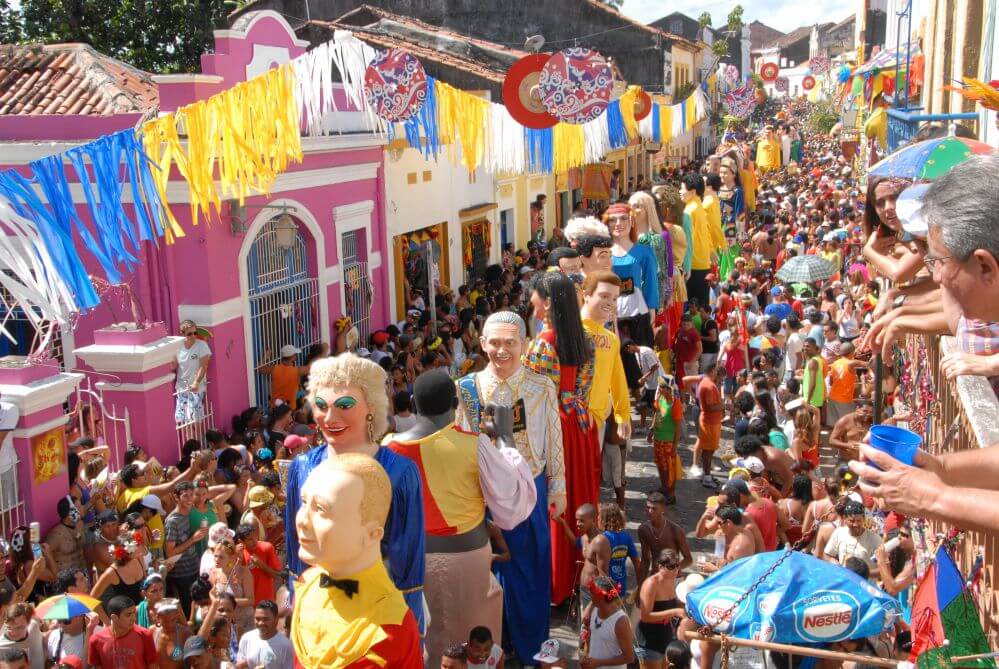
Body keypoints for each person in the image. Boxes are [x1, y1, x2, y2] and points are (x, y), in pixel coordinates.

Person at [387, 369, 534, 665]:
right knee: (471, 648)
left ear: (413, 405)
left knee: (422, 642)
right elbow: (512, 502)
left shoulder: (388, 448)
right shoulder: (473, 444)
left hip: (409, 564)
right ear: (456, 405)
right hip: (467, 562)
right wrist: (505, 438)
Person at [283, 354, 426, 633]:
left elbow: (407, 562)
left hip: (378, 615)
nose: (329, 418)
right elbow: (296, 552)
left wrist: (410, 629)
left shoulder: (399, 473)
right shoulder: (302, 467)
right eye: (321, 406)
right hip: (317, 613)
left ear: (371, 407)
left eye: (344, 405)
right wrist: (298, 608)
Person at [455, 310, 565, 664]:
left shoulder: (541, 386)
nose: (502, 350)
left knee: (532, 571)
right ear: (482, 343)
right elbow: (460, 441)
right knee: (485, 573)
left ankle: (531, 648)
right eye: (495, 343)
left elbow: (554, 438)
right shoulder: (467, 389)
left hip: (530, 491)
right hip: (483, 494)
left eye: (510, 343)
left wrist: (558, 487)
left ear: (524, 344)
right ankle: (490, 649)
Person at [290, 454, 421, 669]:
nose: (302, 521)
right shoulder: (306, 584)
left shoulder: (393, 626)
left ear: (372, 534)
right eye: (304, 502)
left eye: (321, 509)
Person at [523, 272, 600, 604]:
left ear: (548, 303)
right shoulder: (585, 339)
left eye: (536, 301)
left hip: (553, 426)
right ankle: (581, 573)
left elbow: (533, 395)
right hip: (579, 424)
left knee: (556, 499)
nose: (533, 307)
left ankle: (557, 581)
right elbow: (583, 387)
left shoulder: (543, 343)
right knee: (580, 495)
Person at [579, 272, 632, 507]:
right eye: (604, 296)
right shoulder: (571, 332)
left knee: (591, 476)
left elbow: (617, 378)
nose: (610, 302)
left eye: (614, 298)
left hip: (597, 422)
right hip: (570, 421)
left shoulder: (611, 338)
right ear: (586, 295)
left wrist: (623, 415)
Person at [604, 202, 659, 345]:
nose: (618, 223)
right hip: (610, 314)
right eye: (613, 220)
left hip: (637, 312)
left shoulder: (644, 251)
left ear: (631, 221)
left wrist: (652, 307)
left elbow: (651, 281)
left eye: (623, 218)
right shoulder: (602, 253)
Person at [163, 481, 209, 618]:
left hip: (193, 568)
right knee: (190, 611)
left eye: (191, 495)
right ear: (176, 497)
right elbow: (170, 552)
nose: (190, 499)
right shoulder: (172, 521)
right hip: (182, 574)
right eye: (185, 496)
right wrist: (193, 539)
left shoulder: (188, 513)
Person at [635, 550, 686, 669]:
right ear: (660, 566)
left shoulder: (671, 580)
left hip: (664, 637)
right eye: (671, 567)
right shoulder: (651, 584)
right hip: (646, 641)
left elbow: (668, 603)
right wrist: (674, 612)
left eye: (677, 565)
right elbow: (645, 616)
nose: (675, 570)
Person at [87, 596, 158, 669]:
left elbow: (153, 665)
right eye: (128, 615)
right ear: (114, 618)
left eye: (134, 613)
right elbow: (97, 667)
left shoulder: (144, 635)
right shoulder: (96, 640)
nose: (133, 618)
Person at [637, 493, 691, 588]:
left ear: (664, 509)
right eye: (648, 507)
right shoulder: (643, 529)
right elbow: (645, 560)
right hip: (655, 578)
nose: (650, 511)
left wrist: (672, 569)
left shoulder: (675, 530)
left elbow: (688, 559)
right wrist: (640, 586)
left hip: (673, 580)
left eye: (654, 508)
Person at [580, 576, 635, 669]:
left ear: (601, 597)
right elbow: (591, 634)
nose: (590, 595)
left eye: (592, 592)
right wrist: (587, 655)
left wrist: (598, 663)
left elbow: (629, 657)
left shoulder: (620, 622)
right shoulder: (594, 609)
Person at [684, 363, 725, 488]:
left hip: (711, 422)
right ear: (712, 370)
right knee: (707, 450)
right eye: (717, 371)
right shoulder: (709, 385)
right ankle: (706, 477)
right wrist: (725, 406)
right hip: (709, 422)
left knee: (709, 449)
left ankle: (707, 475)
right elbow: (710, 407)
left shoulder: (706, 382)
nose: (718, 374)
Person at [648, 376, 684, 503]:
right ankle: (664, 488)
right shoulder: (660, 399)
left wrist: (674, 446)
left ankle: (671, 495)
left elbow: (678, 428)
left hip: (668, 442)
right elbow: (657, 414)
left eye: (663, 387)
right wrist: (651, 430)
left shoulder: (676, 404)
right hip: (658, 439)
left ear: (669, 389)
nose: (660, 388)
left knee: (670, 468)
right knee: (660, 465)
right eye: (660, 386)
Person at [823, 500, 881, 573]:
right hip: (844, 578)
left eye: (859, 520)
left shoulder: (875, 539)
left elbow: (884, 568)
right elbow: (827, 555)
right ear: (845, 519)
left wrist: (864, 574)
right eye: (851, 521)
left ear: (864, 519)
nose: (855, 524)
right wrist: (835, 563)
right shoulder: (839, 532)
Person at [597, 504, 640, 600]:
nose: (597, 518)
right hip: (620, 586)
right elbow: (637, 563)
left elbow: (601, 571)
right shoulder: (626, 537)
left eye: (599, 515)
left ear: (604, 519)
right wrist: (640, 585)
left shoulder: (603, 538)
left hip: (605, 590)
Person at [235, 600, 294, 669]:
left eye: (265, 619)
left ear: (276, 619)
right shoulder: (246, 638)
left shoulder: (286, 646)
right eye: (257, 619)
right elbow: (239, 665)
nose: (260, 623)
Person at [696, 506, 755, 573]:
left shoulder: (739, 547)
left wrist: (714, 569)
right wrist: (703, 518)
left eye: (719, 523)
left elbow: (739, 574)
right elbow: (699, 534)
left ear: (728, 523)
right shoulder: (739, 532)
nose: (717, 526)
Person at [235, 524, 282, 607]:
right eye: (250, 539)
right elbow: (235, 580)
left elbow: (278, 576)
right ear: (241, 541)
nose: (254, 541)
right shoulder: (238, 552)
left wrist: (261, 565)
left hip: (266, 601)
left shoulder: (267, 547)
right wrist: (238, 559)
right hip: (247, 604)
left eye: (255, 537)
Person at [174, 319, 211, 423]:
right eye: (190, 334)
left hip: (196, 388)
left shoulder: (201, 345)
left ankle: (199, 435)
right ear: (183, 334)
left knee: (196, 419)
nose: (193, 336)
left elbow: (204, 366)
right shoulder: (178, 347)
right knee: (183, 421)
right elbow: (173, 365)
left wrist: (196, 382)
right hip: (182, 388)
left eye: (195, 333)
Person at [825, 341, 866, 427]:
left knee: (833, 426)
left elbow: (831, 382)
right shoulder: (851, 363)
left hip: (832, 397)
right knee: (847, 426)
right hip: (844, 400)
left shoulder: (835, 363)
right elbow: (864, 364)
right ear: (852, 352)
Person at [0, 603, 43, 669]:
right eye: (9, 628)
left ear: (28, 623)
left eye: (19, 627)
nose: (13, 632)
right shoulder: (1, 645)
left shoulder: (34, 626)